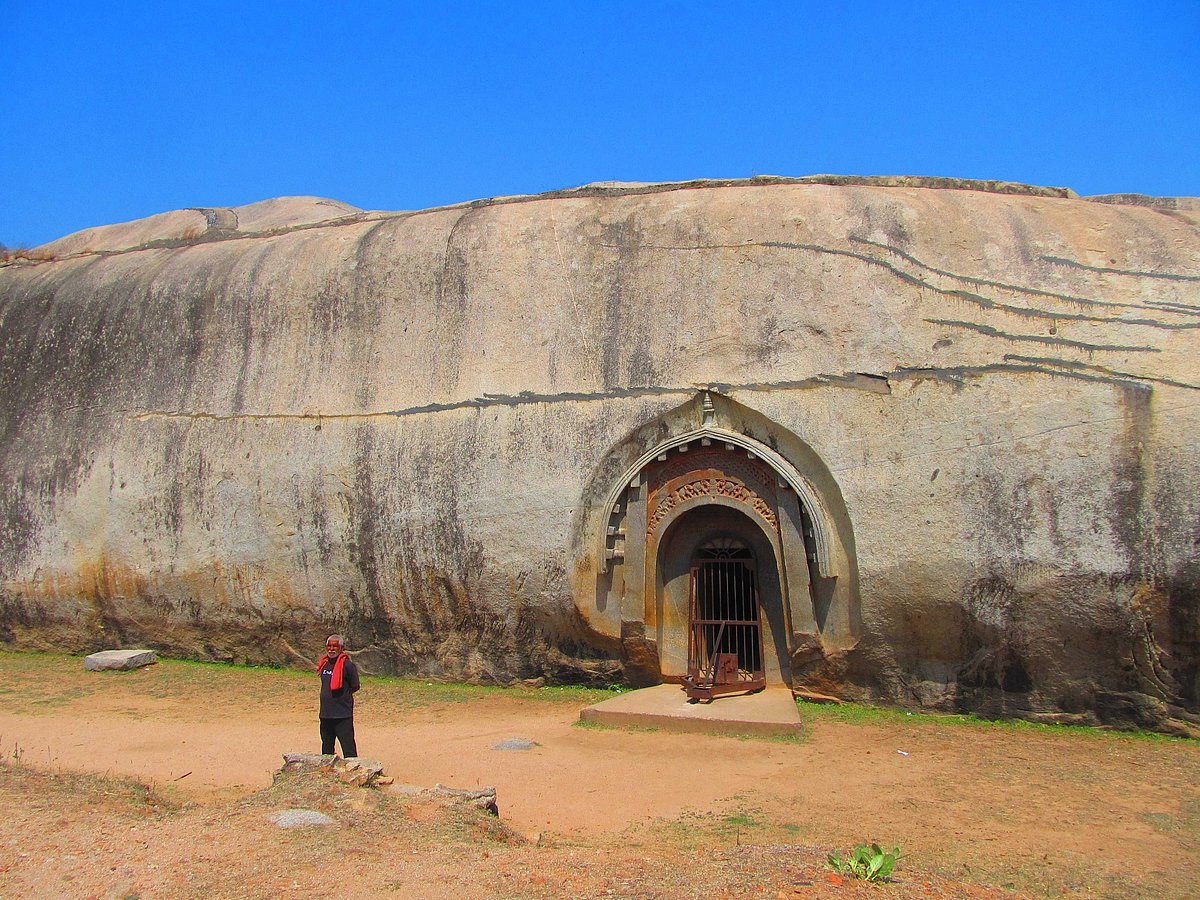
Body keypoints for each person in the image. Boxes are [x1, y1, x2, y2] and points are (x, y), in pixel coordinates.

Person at [316, 634, 360, 757]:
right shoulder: (324, 664)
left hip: (342, 715)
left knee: (348, 747)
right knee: (326, 748)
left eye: (335, 646)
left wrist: (343, 697)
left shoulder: (348, 666)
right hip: (325, 714)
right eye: (329, 646)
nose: (331, 649)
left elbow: (355, 686)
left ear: (341, 648)